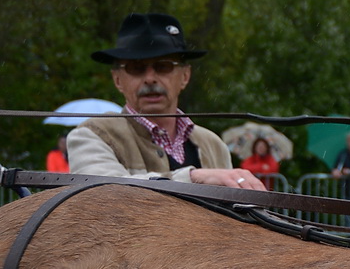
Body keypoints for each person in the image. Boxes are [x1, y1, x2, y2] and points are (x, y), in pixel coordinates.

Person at [66, 13, 266, 190]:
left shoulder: (214, 145)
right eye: (136, 68)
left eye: (163, 66)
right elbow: (102, 197)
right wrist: (195, 178)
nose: (150, 78)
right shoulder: (91, 136)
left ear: (185, 76)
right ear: (118, 79)